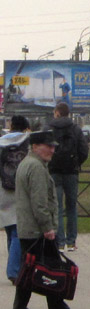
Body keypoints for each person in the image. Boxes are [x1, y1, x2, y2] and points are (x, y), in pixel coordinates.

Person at [11, 129, 85, 309]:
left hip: (29, 229)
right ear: (35, 147)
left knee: (32, 271)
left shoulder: (29, 164)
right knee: (47, 270)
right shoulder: (35, 168)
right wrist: (48, 227)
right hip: (38, 231)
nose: (53, 150)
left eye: (54, 146)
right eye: (49, 146)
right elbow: (39, 202)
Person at [46, 101, 89, 251]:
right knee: (71, 207)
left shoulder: (50, 129)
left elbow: (45, 149)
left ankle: (59, 242)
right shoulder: (76, 129)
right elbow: (84, 150)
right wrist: (76, 163)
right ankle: (71, 242)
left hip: (54, 171)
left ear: (57, 112)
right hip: (71, 172)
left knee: (56, 207)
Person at [1, 115, 31, 284]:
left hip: (3, 190)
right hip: (20, 189)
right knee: (19, 232)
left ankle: (15, 265)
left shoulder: (1, 141)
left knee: (11, 230)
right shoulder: (27, 141)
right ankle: (14, 271)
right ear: (25, 126)